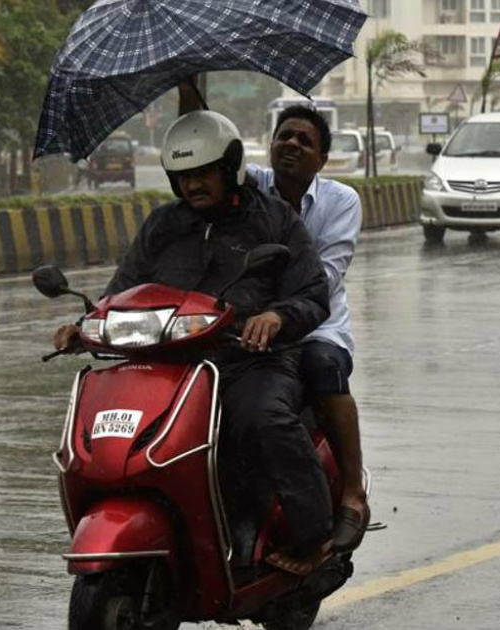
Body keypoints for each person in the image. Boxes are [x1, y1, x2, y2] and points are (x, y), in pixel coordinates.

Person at [53, 110, 334, 574]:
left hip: (248, 360)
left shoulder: (273, 220)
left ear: (229, 167)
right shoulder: (164, 225)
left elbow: (312, 293)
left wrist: (275, 316)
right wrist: (83, 327)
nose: (193, 184)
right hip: (167, 364)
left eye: (203, 172)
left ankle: (312, 536)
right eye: (183, 176)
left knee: (264, 418)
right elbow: (121, 292)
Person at [179, 84, 369, 555]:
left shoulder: (340, 201)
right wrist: (189, 91)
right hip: (241, 319)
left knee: (324, 370)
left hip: (313, 320)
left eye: (305, 141)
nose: (292, 145)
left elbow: (323, 276)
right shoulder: (249, 187)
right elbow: (205, 154)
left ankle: (350, 492)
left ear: (323, 159)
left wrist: (277, 311)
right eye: (285, 136)